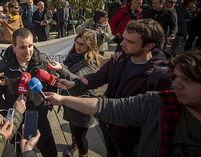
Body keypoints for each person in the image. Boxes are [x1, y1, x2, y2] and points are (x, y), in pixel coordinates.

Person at [46, 50, 201, 157]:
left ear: (149, 45)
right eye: (175, 78)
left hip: (130, 137)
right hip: (111, 130)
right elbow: (111, 108)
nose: (175, 85)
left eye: (186, 80)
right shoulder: (159, 103)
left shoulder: (159, 75)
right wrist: (62, 99)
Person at [58, 19, 172, 157]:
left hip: (130, 137)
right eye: (123, 38)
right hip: (108, 126)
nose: (122, 44)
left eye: (130, 42)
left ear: (149, 46)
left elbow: (149, 111)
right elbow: (97, 77)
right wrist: (75, 83)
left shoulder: (163, 75)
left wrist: (107, 103)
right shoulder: (118, 59)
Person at [0, 28, 57, 157]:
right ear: (13, 47)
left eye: (30, 46)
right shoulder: (1, 68)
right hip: (17, 122)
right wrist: (11, 113)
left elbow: (52, 85)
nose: (27, 51)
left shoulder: (42, 62)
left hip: (40, 117)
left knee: (50, 152)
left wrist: (48, 102)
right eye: (22, 47)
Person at [47, 30, 102, 157]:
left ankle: (84, 153)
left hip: (83, 105)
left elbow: (77, 80)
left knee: (80, 137)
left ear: (90, 46)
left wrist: (61, 69)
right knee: (73, 131)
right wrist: (61, 83)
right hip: (70, 101)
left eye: (82, 44)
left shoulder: (92, 62)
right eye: (77, 42)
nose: (78, 46)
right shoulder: (73, 56)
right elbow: (68, 80)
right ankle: (74, 145)